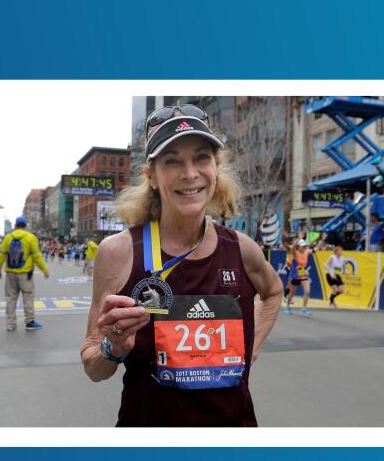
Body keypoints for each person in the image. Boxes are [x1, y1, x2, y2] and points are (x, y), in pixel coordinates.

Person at [81, 103, 282, 426]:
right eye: (172, 161)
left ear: (215, 167)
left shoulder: (242, 249)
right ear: (152, 176)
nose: (190, 174)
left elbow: (272, 292)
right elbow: (93, 366)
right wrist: (113, 346)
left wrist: (250, 346)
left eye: (201, 157)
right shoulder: (118, 252)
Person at [0, 216, 49, 333]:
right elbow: (36, 256)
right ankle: (29, 322)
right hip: (25, 274)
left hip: (10, 273)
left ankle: (10, 324)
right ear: (25, 226)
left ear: (15, 225)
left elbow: (2, 255)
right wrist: (44, 269)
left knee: (10, 298)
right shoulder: (30, 237)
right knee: (28, 297)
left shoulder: (8, 238)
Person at [284, 235, 313, 315]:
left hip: (302, 272)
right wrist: (299, 238)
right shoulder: (294, 253)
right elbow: (293, 248)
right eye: (302, 246)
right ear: (298, 247)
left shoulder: (306, 252)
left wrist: (321, 241)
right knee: (292, 292)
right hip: (294, 274)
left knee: (307, 291)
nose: (304, 247)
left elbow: (314, 250)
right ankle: (288, 306)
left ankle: (304, 308)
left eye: (305, 246)